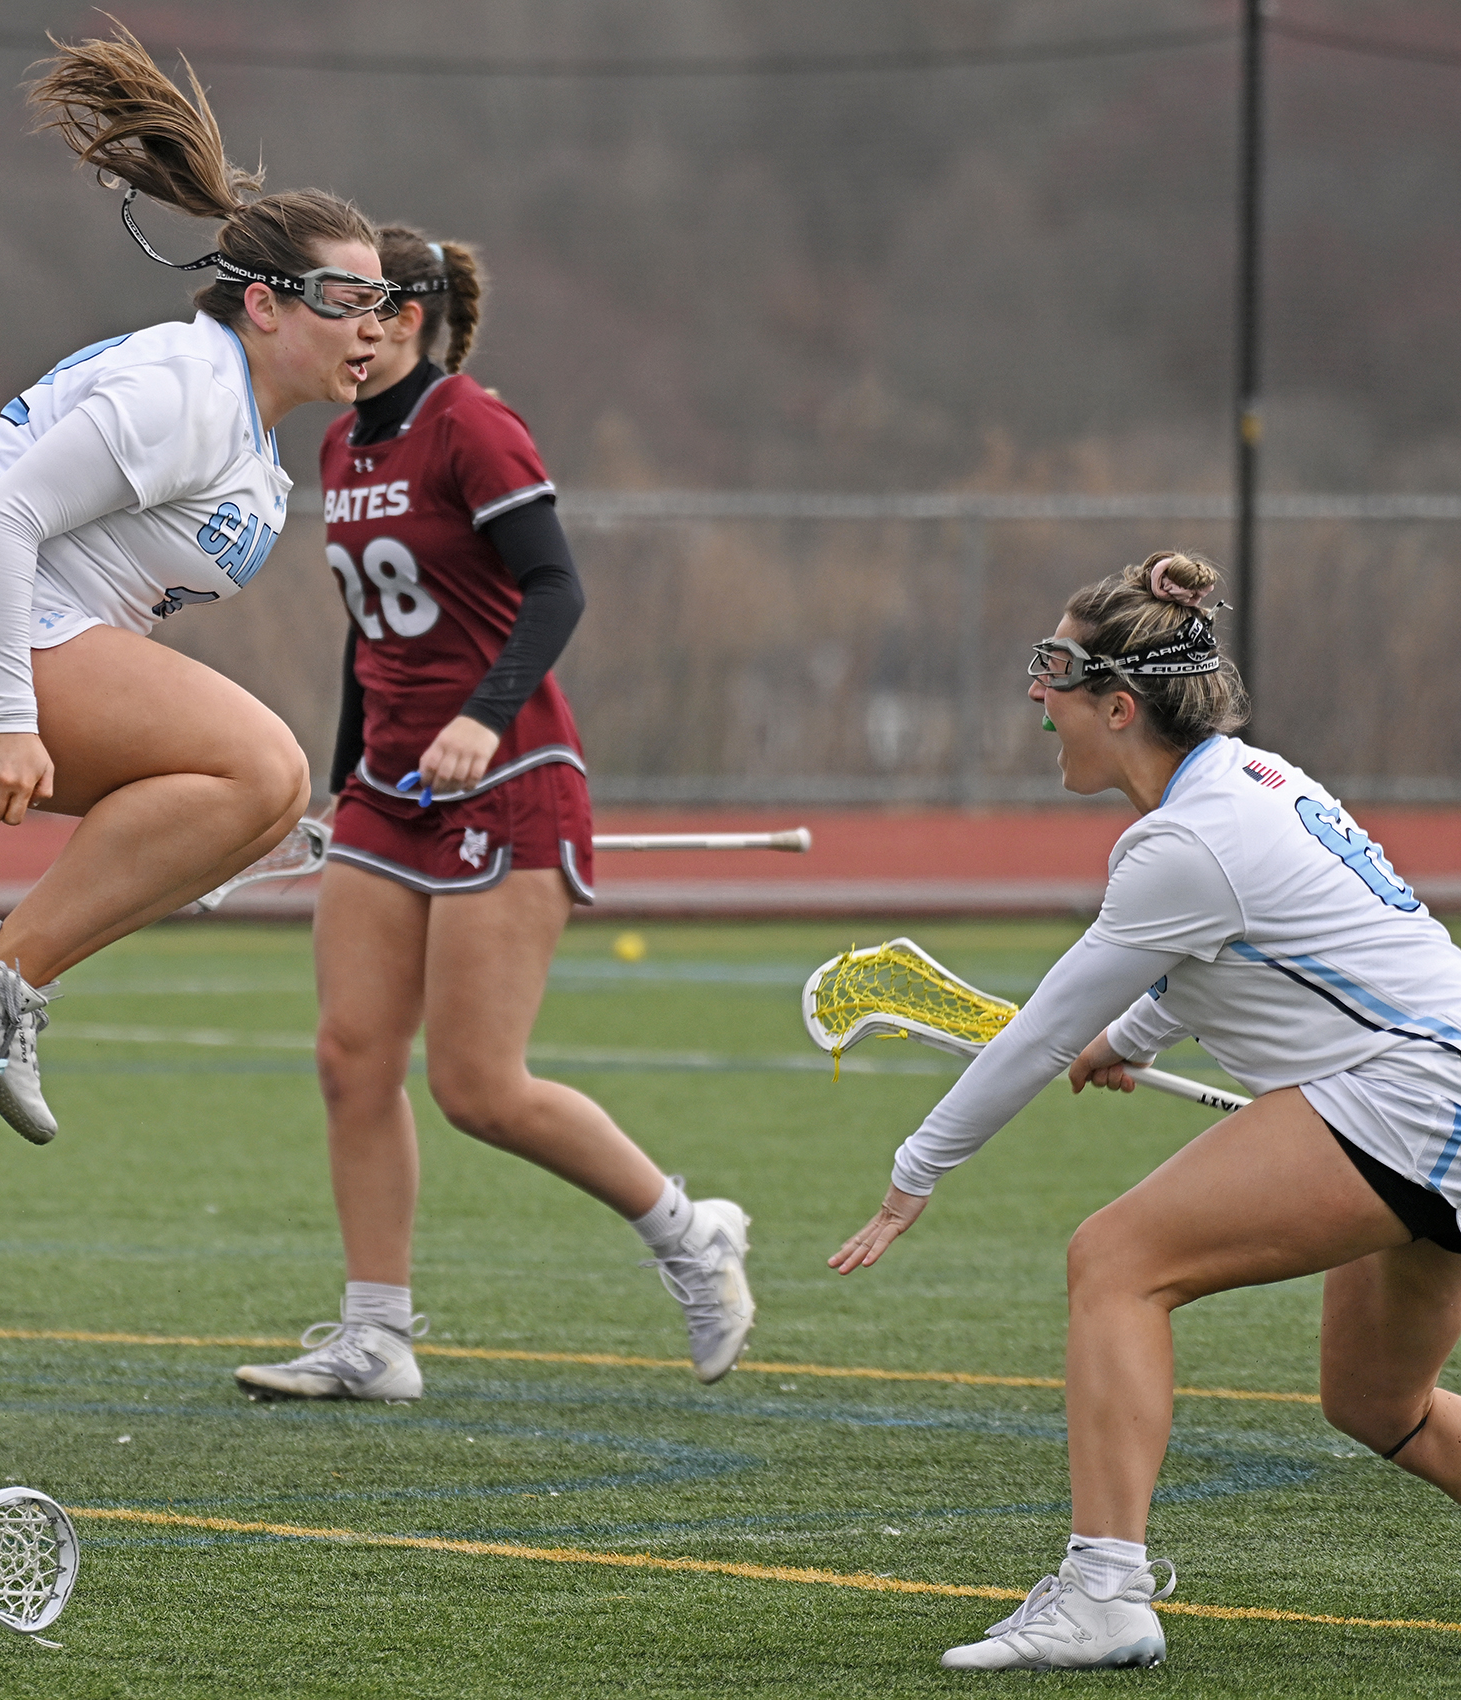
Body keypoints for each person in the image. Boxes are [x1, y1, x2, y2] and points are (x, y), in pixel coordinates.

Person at [829, 550, 1461, 1671]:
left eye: (1054, 676)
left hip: (1413, 1093)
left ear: (1119, 706)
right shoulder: (1250, 779)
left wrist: (916, 1166)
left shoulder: (1179, 840)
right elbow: (1220, 955)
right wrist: (1129, 1038)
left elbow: (1034, 1032)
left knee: (1116, 1259)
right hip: (1427, 1088)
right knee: (1378, 1402)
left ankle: (1104, 1591)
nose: (1038, 697)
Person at [0, 25, 394, 1150]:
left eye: (383, 304)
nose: (372, 327)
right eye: (346, 297)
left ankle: (8, 987)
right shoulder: (187, 388)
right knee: (263, 765)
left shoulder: (256, 458)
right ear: (265, 305)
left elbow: (101, 602)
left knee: (258, 798)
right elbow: (1, 518)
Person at [231, 227, 754, 1405]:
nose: (342, 325)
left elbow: (555, 582)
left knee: (479, 1085)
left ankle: (689, 1233)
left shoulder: (470, 422)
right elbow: (372, 638)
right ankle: (377, 1336)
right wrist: (334, 784)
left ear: (407, 317)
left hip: (509, 780)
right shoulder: (335, 445)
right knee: (350, 1056)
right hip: (391, 791)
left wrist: (485, 711)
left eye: (362, 303)